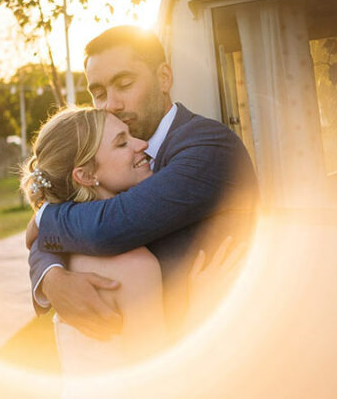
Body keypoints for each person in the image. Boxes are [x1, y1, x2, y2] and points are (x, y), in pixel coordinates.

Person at [26, 25, 258, 341]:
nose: (111, 104)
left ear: (164, 77)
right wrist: (51, 277)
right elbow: (69, 229)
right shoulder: (113, 168)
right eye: (98, 93)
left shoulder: (210, 146)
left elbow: (111, 226)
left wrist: (44, 217)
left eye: (124, 84)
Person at [20, 107, 168, 369]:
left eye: (130, 134)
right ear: (86, 175)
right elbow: (158, 380)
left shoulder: (64, 253)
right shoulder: (135, 267)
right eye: (122, 143)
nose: (142, 144)